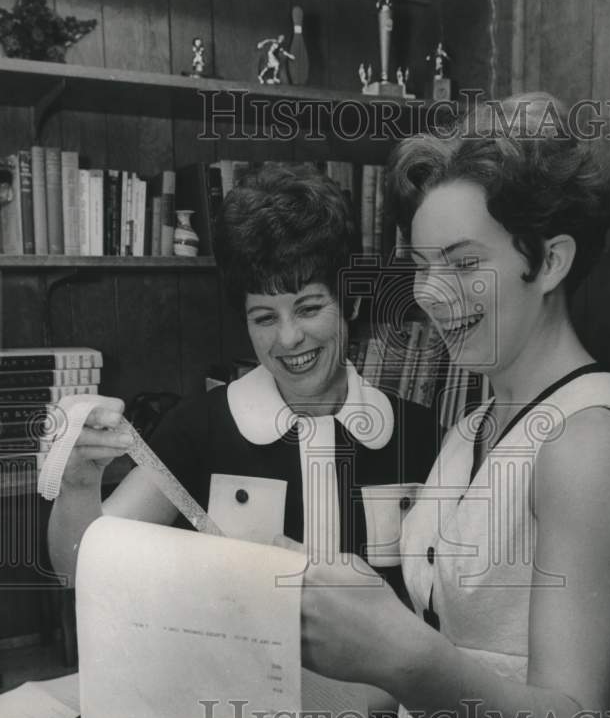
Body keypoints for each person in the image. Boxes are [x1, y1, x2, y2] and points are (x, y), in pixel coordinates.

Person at [299, 93, 610, 718]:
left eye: (466, 264)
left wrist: (398, 654)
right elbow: (468, 649)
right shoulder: (475, 422)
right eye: (421, 267)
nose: (434, 297)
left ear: (549, 262)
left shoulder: (594, 445)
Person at [47, 162, 437, 601]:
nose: (289, 338)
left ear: (349, 303)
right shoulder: (197, 430)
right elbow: (80, 570)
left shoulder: (420, 437)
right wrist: (77, 484)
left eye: (309, 308)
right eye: (265, 317)